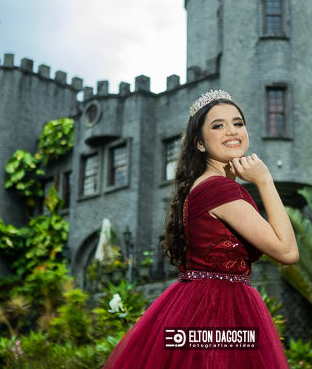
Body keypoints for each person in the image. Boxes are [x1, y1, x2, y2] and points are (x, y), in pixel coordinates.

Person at [102, 90, 298, 368]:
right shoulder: (220, 189)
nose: (232, 131)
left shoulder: (200, 185)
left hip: (194, 305)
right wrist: (265, 180)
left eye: (238, 123)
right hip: (220, 310)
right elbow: (287, 252)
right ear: (200, 143)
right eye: (218, 125)